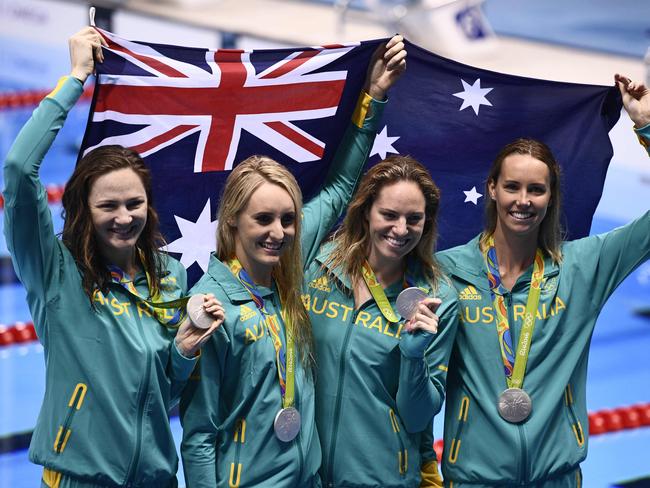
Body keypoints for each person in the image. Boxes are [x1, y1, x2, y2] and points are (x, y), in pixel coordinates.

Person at [179, 36, 407, 487]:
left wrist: (373, 96)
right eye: (263, 219)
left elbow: (342, 187)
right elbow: (199, 434)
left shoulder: (293, 270)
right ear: (233, 221)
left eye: (287, 219)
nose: (279, 232)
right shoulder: (209, 304)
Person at [3, 27, 223, 488]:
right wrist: (76, 78)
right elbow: (20, 170)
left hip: (156, 479)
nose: (124, 217)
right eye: (108, 206)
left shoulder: (170, 276)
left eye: (134, 204)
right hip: (80, 478)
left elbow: (161, 393)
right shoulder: (56, 272)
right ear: (83, 209)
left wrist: (183, 351)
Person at [435, 74, 650, 487]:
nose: (523, 200)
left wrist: (646, 127)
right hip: (473, 478)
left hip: (557, 477)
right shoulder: (446, 272)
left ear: (551, 197)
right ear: (492, 190)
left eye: (537, 189)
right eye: (512, 187)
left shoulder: (584, 267)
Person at [303, 156, 459, 487]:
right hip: (303, 476)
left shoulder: (436, 298)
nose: (401, 230)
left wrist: (413, 357)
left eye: (414, 219)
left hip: (382, 478)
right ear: (365, 212)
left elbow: (417, 417)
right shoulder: (317, 267)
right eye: (389, 215)